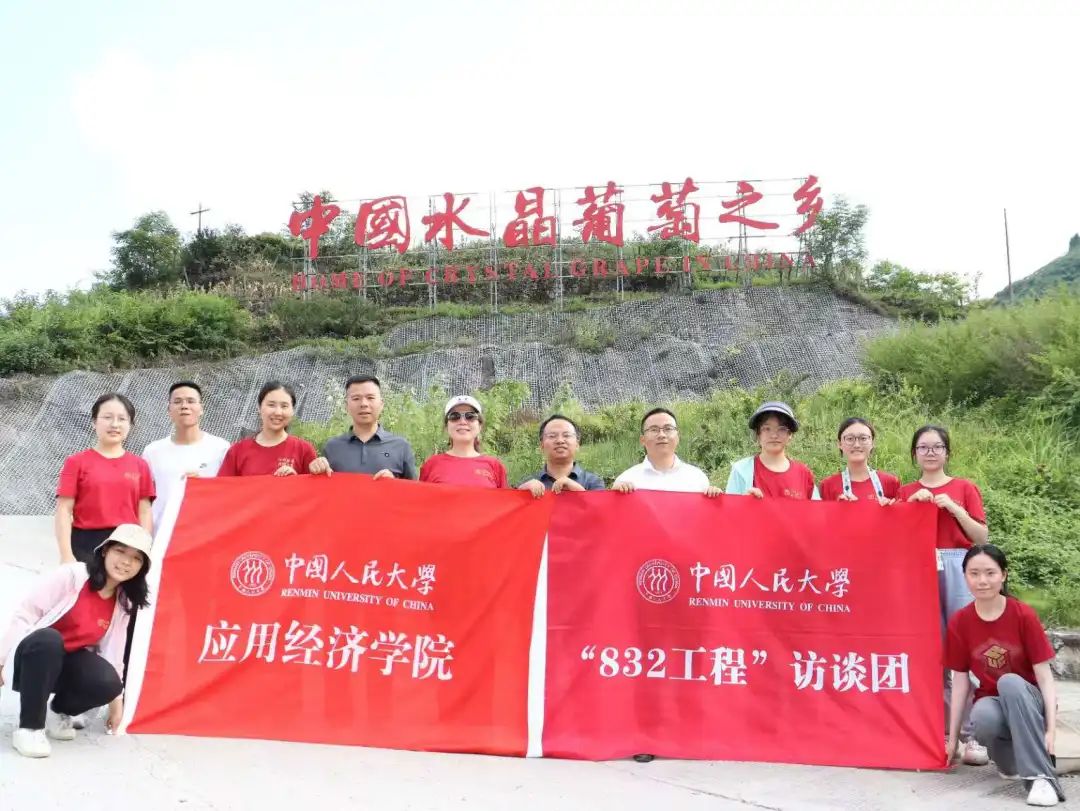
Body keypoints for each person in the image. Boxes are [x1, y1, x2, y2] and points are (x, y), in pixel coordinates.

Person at [0, 525, 152, 758]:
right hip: (33, 658)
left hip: (66, 664)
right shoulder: (72, 576)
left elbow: (115, 653)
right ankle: (30, 729)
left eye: (136, 558)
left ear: (142, 567)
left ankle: (58, 712)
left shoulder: (124, 602)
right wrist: (1, 660)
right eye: (120, 551)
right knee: (50, 639)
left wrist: (116, 704)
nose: (126, 562)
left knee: (109, 682)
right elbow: (26, 614)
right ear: (105, 551)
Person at [945, 545, 1064, 806]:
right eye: (974, 573)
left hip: (1030, 701)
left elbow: (1045, 678)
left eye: (990, 573)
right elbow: (960, 682)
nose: (982, 580)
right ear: (965, 576)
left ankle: (1041, 777)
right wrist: (953, 740)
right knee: (982, 716)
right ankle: (1012, 760)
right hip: (995, 703)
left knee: (1009, 682)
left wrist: (1051, 731)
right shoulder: (960, 622)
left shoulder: (1023, 615)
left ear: (1004, 575)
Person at [898, 424, 990, 765]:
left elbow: (981, 537)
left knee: (965, 648)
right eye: (923, 447)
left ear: (947, 452)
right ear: (914, 454)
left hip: (958, 565)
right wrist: (911, 507)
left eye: (937, 446)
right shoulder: (905, 491)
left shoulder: (964, 488)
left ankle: (973, 734)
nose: (931, 452)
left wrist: (953, 507)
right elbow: (892, 535)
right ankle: (942, 733)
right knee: (930, 652)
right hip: (918, 569)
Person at [55, 393, 155, 565]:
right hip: (85, 545)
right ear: (94, 422)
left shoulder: (140, 465)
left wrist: (144, 550)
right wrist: (66, 555)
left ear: (130, 425)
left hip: (127, 544)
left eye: (122, 419)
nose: (114, 424)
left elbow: (144, 511)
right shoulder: (76, 462)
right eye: (107, 417)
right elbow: (64, 510)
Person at [142, 381, 230, 529]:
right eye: (177, 402)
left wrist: (203, 486)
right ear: (169, 410)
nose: (184, 406)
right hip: (163, 533)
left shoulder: (221, 448)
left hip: (206, 530)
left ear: (201, 408)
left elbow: (229, 494)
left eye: (191, 401)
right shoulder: (152, 451)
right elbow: (144, 501)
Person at [309, 375, 418, 479]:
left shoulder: (401, 446)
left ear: (381, 404)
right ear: (346, 406)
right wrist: (317, 470)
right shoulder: (332, 447)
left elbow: (413, 489)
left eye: (370, 398)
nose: (364, 404)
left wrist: (393, 483)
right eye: (356, 398)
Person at [612, 408, 721, 495]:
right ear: (642, 440)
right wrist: (614, 497)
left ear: (678, 437)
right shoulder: (626, 480)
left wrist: (716, 499)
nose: (662, 435)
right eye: (654, 429)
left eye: (668, 429)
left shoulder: (697, 478)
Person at [218, 381, 317, 477]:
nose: (278, 412)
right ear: (259, 408)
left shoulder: (304, 450)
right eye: (271, 405)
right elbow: (223, 486)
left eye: (284, 406)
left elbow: (313, 487)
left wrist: (295, 480)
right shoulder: (237, 451)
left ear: (292, 411)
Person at [725, 401, 819, 500]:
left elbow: (817, 509)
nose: (774, 435)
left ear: (790, 435)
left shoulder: (803, 474)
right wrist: (744, 502)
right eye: (767, 429)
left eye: (781, 429)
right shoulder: (741, 471)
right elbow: (729, 508)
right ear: (758, 434)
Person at [418, 396, 508, 489]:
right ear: (446, 427)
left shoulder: (495, 466)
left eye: (470, 416)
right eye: (454, 416)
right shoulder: (431, 465)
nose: (462, 421)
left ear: (480, 426)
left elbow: (505, 498)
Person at [518, 414, 606, 497]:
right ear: (542, 445)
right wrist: (520, 494)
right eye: (552, 436)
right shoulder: (528, 484)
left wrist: (578, 491)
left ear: (577, 444)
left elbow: (599, 507)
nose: (560, 440)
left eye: (566, 435)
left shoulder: (593, 482)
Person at [818, 417, 901, 503]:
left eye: (863, 438)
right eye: (850, 439)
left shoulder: (891, 483)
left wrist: (890, 508)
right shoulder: (828, 486)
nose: (857, 445)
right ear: (840, 444)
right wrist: (838, 508)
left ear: (872, 443)